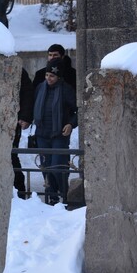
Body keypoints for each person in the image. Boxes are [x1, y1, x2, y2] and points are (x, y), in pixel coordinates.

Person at [32, 61, 78, 205]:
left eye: (52, 76)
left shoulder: (66, 90)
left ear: (58, 77)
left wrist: (71, 124)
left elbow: (77, 110)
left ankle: (65, 193)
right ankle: (52, 196)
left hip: (59, 135)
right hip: (42, 134)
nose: (48, 78)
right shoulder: (40, 88)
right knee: (46, 167)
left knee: (58, 166)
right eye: (46, 75)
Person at [12, 68, 35, 199]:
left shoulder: (19, 71)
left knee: (12, 155)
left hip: (12, 119)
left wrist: (25, 117)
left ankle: (20, 190)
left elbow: (27, 94)